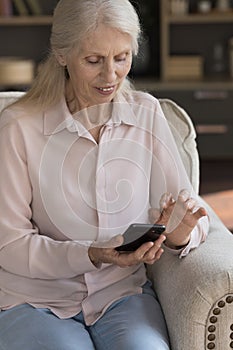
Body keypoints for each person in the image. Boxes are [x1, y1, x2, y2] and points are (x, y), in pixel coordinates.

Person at [0, 0, 209, 349]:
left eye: (122, 58)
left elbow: (188, 211)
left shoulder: (146, 114)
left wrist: (181, 233)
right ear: (62, 54)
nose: (110, 76)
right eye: (93, 61)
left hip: (122, 295)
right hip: (35, 301)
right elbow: (9, 244)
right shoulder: (17, 128)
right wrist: (94, 253)